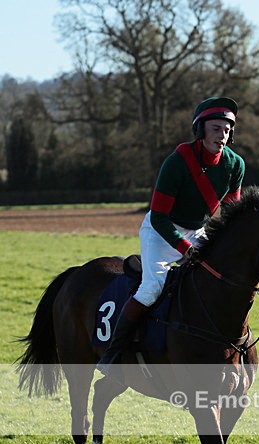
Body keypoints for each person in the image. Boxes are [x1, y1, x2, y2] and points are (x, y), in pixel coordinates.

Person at [98, 96, 245, 375]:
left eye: (227, 130)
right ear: (200, 130)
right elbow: (158, 217)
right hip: (160, 230)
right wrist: (184, 247)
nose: (222, 136)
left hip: (197, 230)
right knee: (152, 288)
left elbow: (230, 214)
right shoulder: (177, 162)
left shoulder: (235, 165)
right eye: (215, 129)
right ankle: (114, 352)